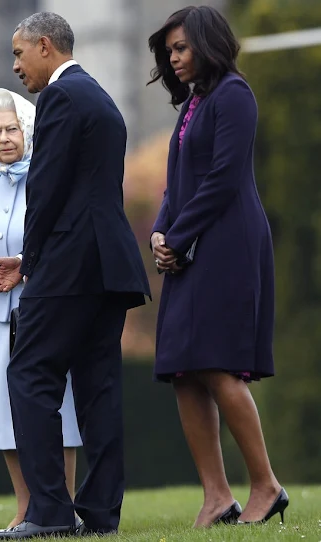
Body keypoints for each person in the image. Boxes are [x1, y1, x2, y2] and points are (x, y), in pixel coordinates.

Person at [0, 13, 151, 539]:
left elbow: (47, 190)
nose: (15, 66)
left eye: (19, 54)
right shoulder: (100, 98)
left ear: (45, 45)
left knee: (29, 375)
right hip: (108, 267)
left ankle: (49, 513)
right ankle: (100, 515)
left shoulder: (59, 98)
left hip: (66, 268)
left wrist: (30, 263)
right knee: (98, 389)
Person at [147, 6, 287, 528]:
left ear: (207, 43)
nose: (174, 58)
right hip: (187, 247)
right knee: (183, 369)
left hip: (226, 245)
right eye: (170, 51)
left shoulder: (233, 95)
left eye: (181, 48)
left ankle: (266, 486)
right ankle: (216, 496)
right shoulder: (193, 104)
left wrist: (178, 238)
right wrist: (162, 232)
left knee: (217, 363)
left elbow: (225, 178)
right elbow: (176, 183)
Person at [0, 88, 82, 530]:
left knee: (58, 409)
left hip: (43, 306)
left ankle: (63, 507)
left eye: (12, 128)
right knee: (6, 416)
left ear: (28, 130)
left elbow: (57, 239)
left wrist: (27, 271)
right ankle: (25, 508)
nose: (4, 138)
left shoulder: (47, 173)